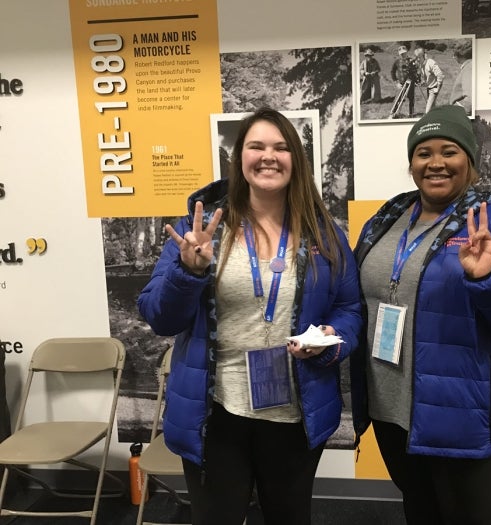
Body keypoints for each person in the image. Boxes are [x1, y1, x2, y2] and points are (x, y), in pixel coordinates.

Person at [138, 107, 362, 525]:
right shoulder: (199, 229)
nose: (268, 156)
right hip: (217, 413)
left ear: (295, 158)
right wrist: (189, 272)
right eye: (256, 146)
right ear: (239, 157)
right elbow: (160, 317)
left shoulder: (324, 233)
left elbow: (349, 308)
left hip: (295, 411)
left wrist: (332, 338)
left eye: (280, 147)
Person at [351, 105, 491, 525]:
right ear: (411, 163)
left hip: (462, 415)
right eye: (424, 152)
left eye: (449, 151)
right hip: (391, 411)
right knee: (421, 513)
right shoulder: (386, 220)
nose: (436, 163)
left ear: (470, 160)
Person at [390, 45, 419, 116]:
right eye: (401, 53)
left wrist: (416, 80)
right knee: (399, 99)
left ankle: (411, 113)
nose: (403, 55)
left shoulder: (411, 60)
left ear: (407, 52)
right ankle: (394, 112)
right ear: (399, 54)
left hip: (411, 83)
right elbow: (392, 71)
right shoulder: (397, 61)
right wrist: (396, 82)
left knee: (411, 98)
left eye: (404, 53)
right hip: (401, 83)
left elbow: (416, 71)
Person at [414, 47, 444, 113]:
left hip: (434, 89)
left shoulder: (430, 62)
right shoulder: (421, 65)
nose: (418, 59)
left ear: (424, 56)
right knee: (433, 110)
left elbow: (440, 75)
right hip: (429, 88)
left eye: (419, 57)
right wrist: (424, 83)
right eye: (416, 57)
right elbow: (428, 78)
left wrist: (438, 88)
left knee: (428, 111)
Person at [449, 41, 473, 116]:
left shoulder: (468, 68)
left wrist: (463, 115)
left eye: (454, 55)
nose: (453, 57)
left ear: (459, 56)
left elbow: (470, 99)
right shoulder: (470, 66)